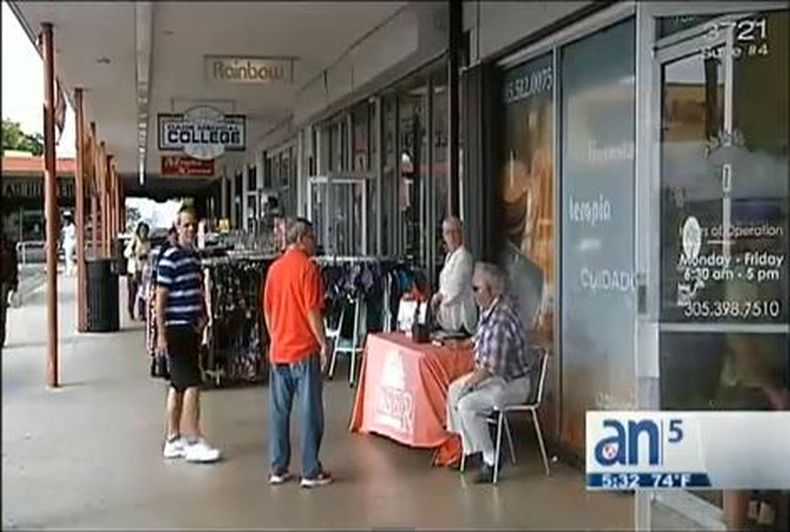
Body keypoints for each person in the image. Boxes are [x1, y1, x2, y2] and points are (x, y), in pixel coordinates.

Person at [446, 262, 538, 484]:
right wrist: (461, 344)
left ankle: (490, 459)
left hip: (511, 384)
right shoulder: (490, 311)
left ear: (492, 290)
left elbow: (489, 367)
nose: (473, 293)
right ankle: (471, 448)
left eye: (477, 289)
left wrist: (470, 385)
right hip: (498, 378)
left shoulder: (501, 318)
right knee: (453, 391)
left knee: (465, 403)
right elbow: (478, 338)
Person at [263, 217, 333, 488]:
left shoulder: (274, 270)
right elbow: (312, 311)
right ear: (302, 238)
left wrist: (275, 337)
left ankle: (278, 467)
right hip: (304, 350)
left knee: (280, 412)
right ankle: (310, 470)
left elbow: (268, 311)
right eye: (312, 237)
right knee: (310, 412)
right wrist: (323, 342)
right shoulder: (308, 270)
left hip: (279, 351)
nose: (315, 242)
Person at [156, 207, 220, 463]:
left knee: (179, 385)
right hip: (176, 327)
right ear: (177, 227)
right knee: (193, 382)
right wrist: (161, 334)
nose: (191, 230)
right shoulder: (169, 258)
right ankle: (193, 439)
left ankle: (173, 438)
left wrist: (204, 315)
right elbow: (160, 299)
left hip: (192, 327)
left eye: (194, 226)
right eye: (186, 226)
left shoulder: (194, 258)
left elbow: (197, 290)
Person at [430, 217, 477, 334]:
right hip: (449, 321)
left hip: (461, 320)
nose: (453, 236)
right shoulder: (449, 257)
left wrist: (439, 297)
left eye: (456, 231)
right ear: (444, 236)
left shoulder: (464, 257)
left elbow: (455, 288)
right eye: (448, 232)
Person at [124, 222, 151, 320]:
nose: (143, 233)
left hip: (143, 270)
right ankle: (130, 311)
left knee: (142, 293)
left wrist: (146, 256)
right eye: (142, 231)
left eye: (145, 231)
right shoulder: (134, 240)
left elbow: (149, 254)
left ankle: (141, 313)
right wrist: (132, 253)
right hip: (133, 270)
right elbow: (126, 253)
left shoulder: (148, 242)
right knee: (132, 293)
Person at [0, 233, 19, 349]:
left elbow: (14, 265)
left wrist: (14, 285)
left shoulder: (9, 245)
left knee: (2, 310)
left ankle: (1, 338)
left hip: (5, 280)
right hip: (6, 279)